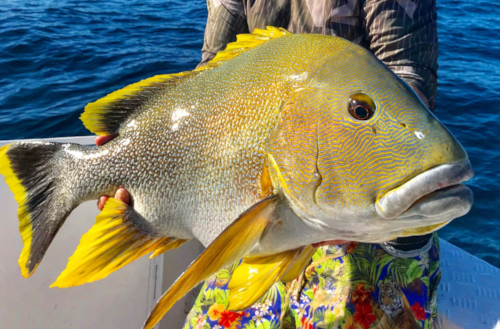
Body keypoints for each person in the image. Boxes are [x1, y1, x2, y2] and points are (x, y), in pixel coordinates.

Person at [96, 1, 441, 328]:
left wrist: (331, 210)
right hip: (264, 209)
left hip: (366, 216)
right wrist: (138, 152)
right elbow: (213, 75)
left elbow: (406, 80)